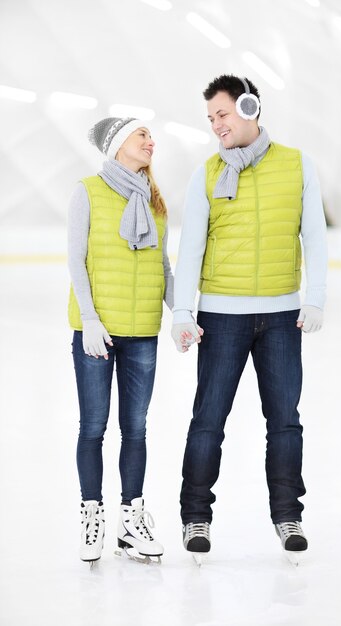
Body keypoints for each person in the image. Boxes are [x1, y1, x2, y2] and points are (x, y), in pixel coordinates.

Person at [171, 75, 327, 560]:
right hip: (222, 316)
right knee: (208, 421)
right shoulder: (207, 172)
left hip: (282, 316)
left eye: (222, 114)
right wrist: (182, 310)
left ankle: (288, 515)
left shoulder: (297, 165)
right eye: (211, 118)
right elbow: (192, 244)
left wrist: (314, 297)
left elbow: (315, 235)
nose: (217, 125)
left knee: (284, 422)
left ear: (249, 106)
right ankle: (196, 516)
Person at [68, 117, 173, 564]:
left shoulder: (154, 202)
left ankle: (132, 520)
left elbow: (162, 267)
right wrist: (89, 319)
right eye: (141, 134)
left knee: (136, 429)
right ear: (118, 145)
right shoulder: (88, 191)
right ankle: (93, 517)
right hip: (98, 332)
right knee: (93, 427)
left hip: (143, 331)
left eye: (150, 135)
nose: (151, 141)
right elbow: (76, 258)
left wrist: (181, 314)